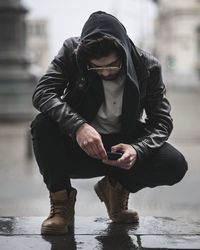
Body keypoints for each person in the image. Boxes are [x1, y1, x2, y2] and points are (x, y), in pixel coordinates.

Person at [30, 11, 188, 235]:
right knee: (42, 124)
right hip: (80, 146)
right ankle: (61, 206)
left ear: (122, 51)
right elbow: (42, 92)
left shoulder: (148, 66)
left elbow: (161, 121)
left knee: (175, 164)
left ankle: (115, 189)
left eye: (112, 65)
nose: (105, 72)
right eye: (96, 67)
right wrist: (78, 126)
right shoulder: (71, 51)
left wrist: (137, 149)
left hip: (121, 148)